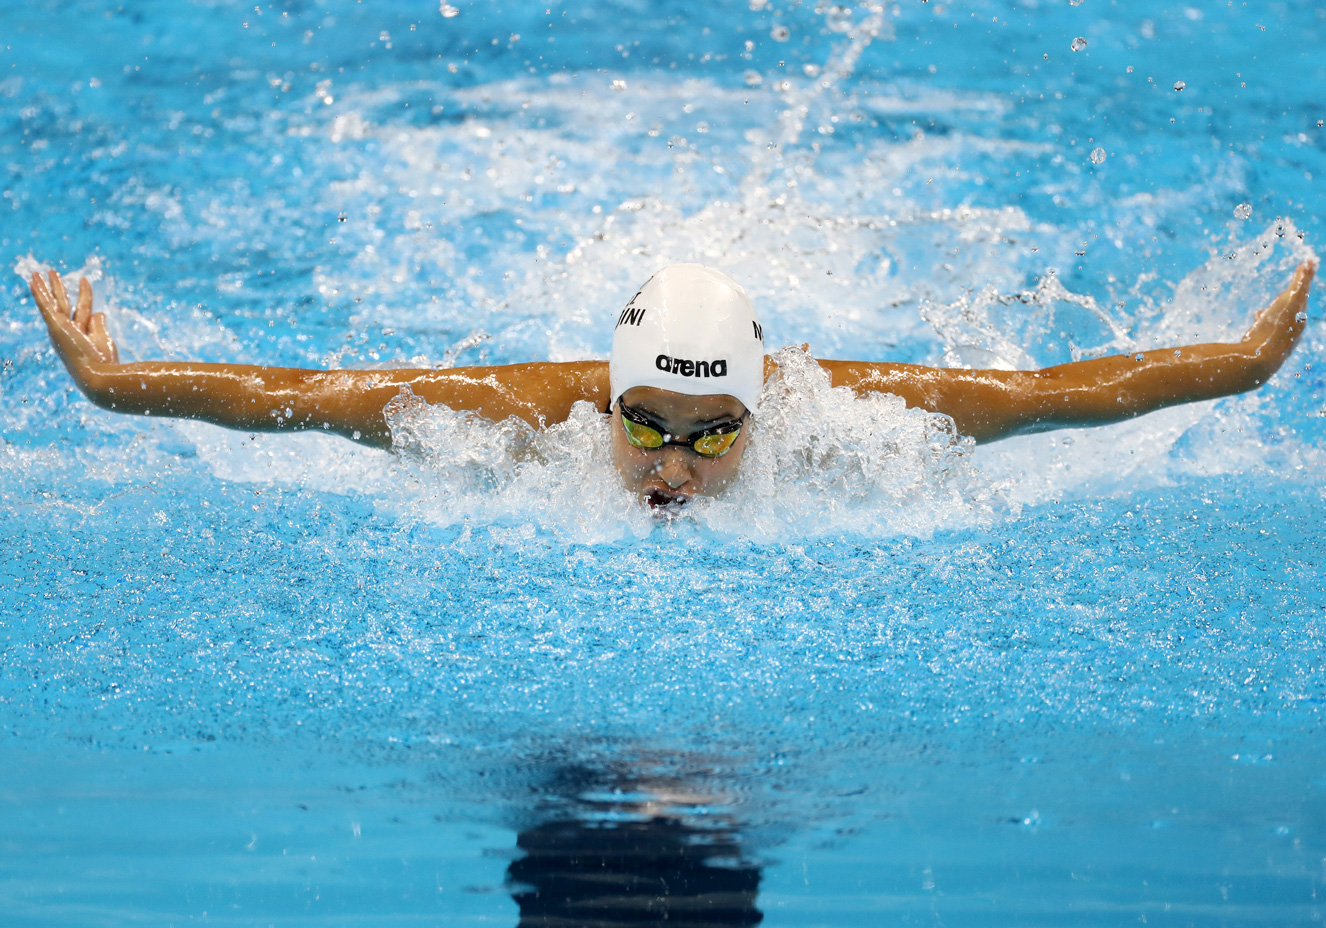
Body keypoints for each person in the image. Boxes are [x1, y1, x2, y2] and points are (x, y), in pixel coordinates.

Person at [30, 260, 1316, 509]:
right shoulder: (535, 415)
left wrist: (1247, 367)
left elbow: (1059, 394)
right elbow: (303, 391)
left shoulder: (839, 411)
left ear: (765, 408)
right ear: (609, 395)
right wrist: (119, 383)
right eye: (646, 422)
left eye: (714, 434)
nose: (674, 467)